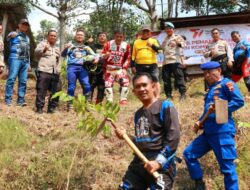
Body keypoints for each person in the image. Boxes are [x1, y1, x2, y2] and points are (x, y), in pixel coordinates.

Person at [183, 61, 244, 190]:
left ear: (219, 71)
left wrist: (221, 108)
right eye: (205, 73)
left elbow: (239, 101)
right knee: (189, 154)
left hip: (222, 131)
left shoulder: (227, 84)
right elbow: (208, 112)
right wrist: (200, 122)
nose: (207, 75)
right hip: (208, 132)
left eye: (210, 72)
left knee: (228, 169)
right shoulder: (210, 90)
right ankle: (199, 184)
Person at [115, 72, 180, 189]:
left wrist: (158, 162)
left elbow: (173, 137)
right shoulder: (138, 114)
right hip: (139, 162)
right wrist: (126, 136)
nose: (141, 89)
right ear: (134, 92)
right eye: (137, 87)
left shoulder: (165, 106)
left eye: (144, 85)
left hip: (161, 165)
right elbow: (142, 141)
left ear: (153, 86)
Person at [61, 29, 98, 110]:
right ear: (75, 36)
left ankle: (87, 105)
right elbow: (63, 55)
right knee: (71, 87)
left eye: (81, 35)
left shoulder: (86, 47)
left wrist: (91, 58)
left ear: (84, 37)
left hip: (83, 68)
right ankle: (70, 106)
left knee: (87, 85)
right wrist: (65, 48)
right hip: (72, 67)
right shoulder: (71, 46)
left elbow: (95, 55)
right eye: (78, 34)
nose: (79, 36)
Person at [34, 29, 61, 114]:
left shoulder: (57, 48)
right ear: (48, 36)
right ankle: (39, 108)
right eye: (51, 35)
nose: (53, 37)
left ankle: (51, 108)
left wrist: (58, 69)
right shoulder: (42, 44)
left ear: (56, 38)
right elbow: (36, 53)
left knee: (57, 90)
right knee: (41, 90)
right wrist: (44, 49)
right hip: (44, 70)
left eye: (54, 36)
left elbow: (58, 60)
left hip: (54, 72)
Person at [5, 19, 30, 106]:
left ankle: (20, 101)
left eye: (26, 25)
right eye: (23, 24)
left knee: (23, 81)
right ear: (19, 25)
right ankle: (8, 100)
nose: (24, 26)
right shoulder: (13, 33)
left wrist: (29, 64)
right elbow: (8, 38)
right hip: (15, 59)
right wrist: (11, 35)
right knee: (11, 79)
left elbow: (28, 51)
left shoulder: (27, 38)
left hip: (25, 61)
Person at [102, 29, 131, 105]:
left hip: (119, 68)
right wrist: (105, 55)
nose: (119, 38)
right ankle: (109, 100)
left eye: (121, 37)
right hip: (109, 68)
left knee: (125, 81)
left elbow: (128, 57)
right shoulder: (108, 44)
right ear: (114, 36)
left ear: (123, 37)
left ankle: (123, 100)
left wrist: (125, 68)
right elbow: (102, 55)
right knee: (108, 83)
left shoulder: (126, 45)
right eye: (117, 36)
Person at [131, 25, 161, 98]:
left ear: (150, 33)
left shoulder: (154, 40)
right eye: (144, 31)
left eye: (147, 31)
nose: (145, 33)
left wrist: (152, 45)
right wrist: (132, 66)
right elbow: (133, 55)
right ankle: (143, 96)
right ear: (141, 32)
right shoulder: (136, 42)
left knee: (155, 79)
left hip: (152, 64)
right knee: (141, 80)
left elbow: (159, 50)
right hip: (140, 65)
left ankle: (157, 96)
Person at [161, 22, 187, 101]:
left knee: (179, 78)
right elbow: (163, 50)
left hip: (175, 60)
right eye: (166, 29)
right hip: (166, 62)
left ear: (173, 29)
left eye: (170, 28)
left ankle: (182, 94)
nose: (168, 30)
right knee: (166, 80)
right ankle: (168, 96)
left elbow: (183, 45)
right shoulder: (165, 39)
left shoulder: (177, 37)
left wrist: (178, 42)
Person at [87, 32, 107, 104]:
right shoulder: (93, 46)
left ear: (106, 37)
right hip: (93, 70)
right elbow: (85, 51)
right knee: (90, 87)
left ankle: (98, 104)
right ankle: (88, 103)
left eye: (103, 35)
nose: (102, 37)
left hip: (104, 70)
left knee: (101, 88)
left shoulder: (108, 47)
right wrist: (87, 42)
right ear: (98, 37)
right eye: (100, 36)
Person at [231, 31, 250, 100]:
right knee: (232, 79)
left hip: (245, 61)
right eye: (233, 37)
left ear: (239, 35)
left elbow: (249, 47)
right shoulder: (236, 47)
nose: (234, 38)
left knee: (247, 78)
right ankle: (231, 94)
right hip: (238, 64)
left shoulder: (244, 42)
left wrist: (246, 49)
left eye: (235, 36)